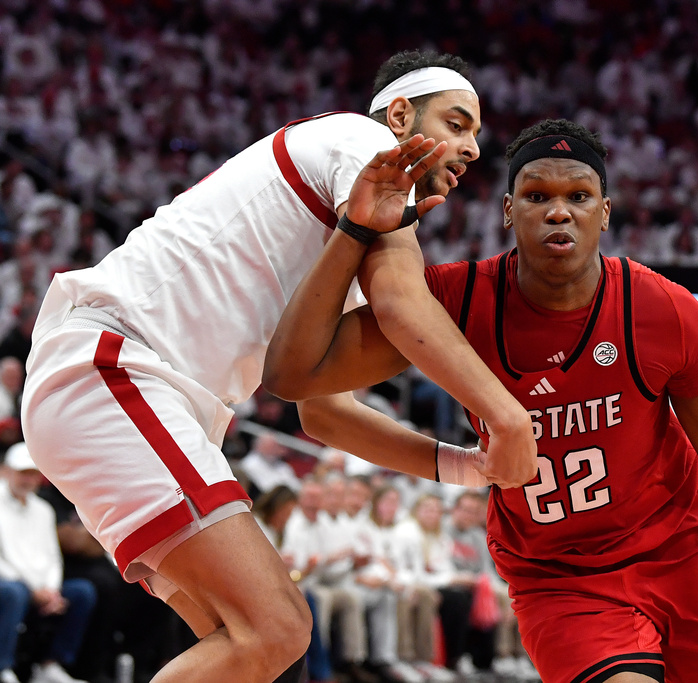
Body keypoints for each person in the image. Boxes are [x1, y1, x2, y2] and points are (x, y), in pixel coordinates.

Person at [263, 118, 698, 682]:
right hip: (560, 573)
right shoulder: (452, 302)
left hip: (685, 549)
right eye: (537, 195)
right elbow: (298, 379)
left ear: (605, 212)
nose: (559, 209)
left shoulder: (661, 308)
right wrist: (355, 231)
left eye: (579, 195)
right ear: (509, 211)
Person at [20, 50, 537, 683]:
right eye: (457, 124)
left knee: (248, 645)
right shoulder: (365, 139)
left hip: (120, 391)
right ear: (401, 114)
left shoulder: (344, 239)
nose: (474, 149)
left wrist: (467, 466)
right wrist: (507, 418)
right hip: (116, 369)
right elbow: (404, 303)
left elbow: (323, 413)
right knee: (277, 627)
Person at [0, 443, 96, 683]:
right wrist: (34, 590)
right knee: (14, 593)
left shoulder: (44, 510)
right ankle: (4, 667)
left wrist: (52, 590)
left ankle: (50, 665)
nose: (28, 479)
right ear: (7, 471)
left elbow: (53, 556)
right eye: (23, 472)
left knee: (82, 592)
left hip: (41, 587)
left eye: (33, 473)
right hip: (12, 583)